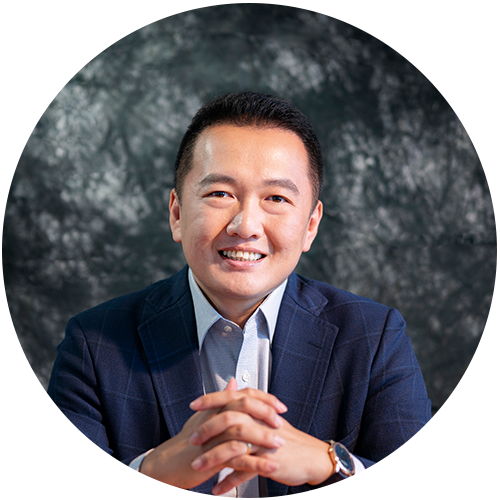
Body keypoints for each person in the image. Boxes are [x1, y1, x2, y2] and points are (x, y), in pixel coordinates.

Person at [25, 92, 450, 498]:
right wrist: (156, 470)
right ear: (176, 213)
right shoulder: (96, 343)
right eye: (220, 194)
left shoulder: (373, 336)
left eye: (276, 198)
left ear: (311, 226)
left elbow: (428, 493)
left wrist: (326, 465)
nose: (245, 225)